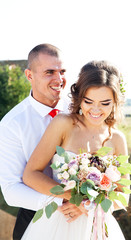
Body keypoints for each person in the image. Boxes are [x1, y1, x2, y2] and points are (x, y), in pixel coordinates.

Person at [21, 60, 129, 240]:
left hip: (98, 226)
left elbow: (124, 196)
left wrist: (90, 206)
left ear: (115, 102)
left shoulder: (117, 139)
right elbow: (31, 174)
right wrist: (72, 198)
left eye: (105, 103)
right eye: (88, 101)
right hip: (58, 222)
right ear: (79, 97)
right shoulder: (64, 124)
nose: (96, 109)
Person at [0, 43, 77, 240]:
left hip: (81, 215)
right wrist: (58, 202)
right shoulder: (12, 124)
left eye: (62, 71)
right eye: (49, 72)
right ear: (29, 75)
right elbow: (11, 190)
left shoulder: (80, 110)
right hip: (36, 216)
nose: (59, 79)